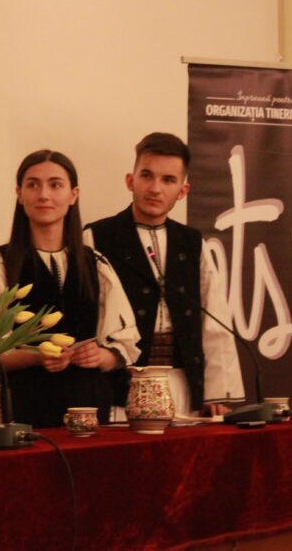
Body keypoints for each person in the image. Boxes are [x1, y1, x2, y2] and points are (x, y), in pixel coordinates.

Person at [0, 150, 140, 428]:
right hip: (23, 405)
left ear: (73, 195)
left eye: (55, 185)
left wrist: (101, 356)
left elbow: (123, 344)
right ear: (19, 194)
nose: (44, 195)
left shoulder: (96, 264)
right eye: (33, 185)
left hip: (92, 406)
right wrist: (36, 356)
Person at [84, 132, 244, 418]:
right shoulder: (96, 237)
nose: (155, 188)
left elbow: (214, 319)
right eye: (147, 176)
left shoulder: (193, 244)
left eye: (168, 180)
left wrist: (216, 392)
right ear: (130, 180)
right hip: (119, 388)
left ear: (183, 190)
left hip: (182, 385)